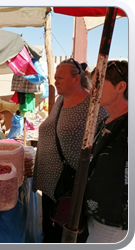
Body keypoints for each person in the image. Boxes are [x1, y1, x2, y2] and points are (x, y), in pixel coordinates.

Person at [32, 58, 109, 243]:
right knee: (49, 231)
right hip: (50, 182)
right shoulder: (60, 100)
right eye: (55, 77)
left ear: (76, 79)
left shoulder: (94, 107)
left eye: (60, 78)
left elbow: (103, 145)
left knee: (66, 234)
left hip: (69, 184)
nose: (55, 82)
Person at [83, 60, 128, 243]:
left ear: (121, 86)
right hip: (95, 215)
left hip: (115, 222)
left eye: (98, 84)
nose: (92, 91)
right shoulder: (105, 122)